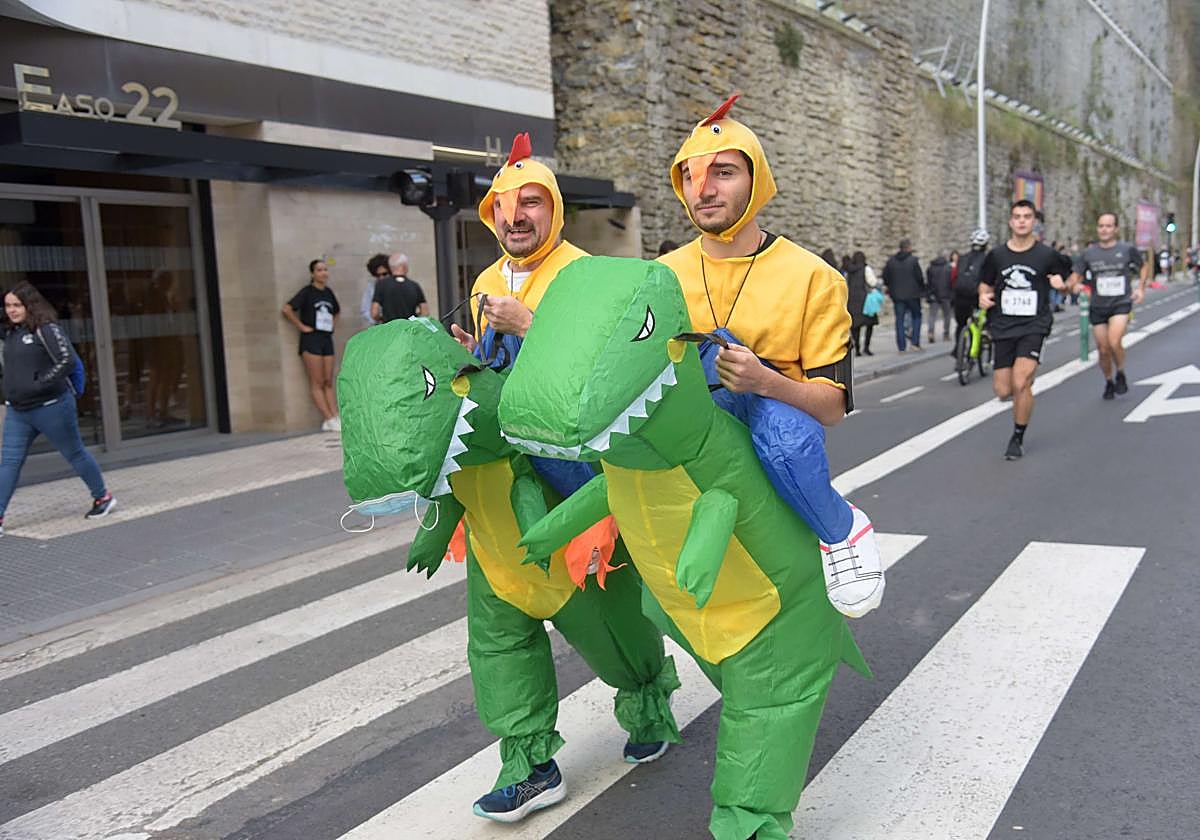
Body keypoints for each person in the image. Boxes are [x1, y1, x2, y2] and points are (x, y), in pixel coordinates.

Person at [658, 93, 881, 839]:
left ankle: (842, 532)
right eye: (691, 175)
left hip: (769, 449)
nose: (704, 188)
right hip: (687, 462)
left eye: (723, 172)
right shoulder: (658, 276)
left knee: (786, 432)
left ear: (757, 181)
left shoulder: (812, 276)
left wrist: (765, 381)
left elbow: (832, 405)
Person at [448, 133, 681, 822]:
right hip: (497, 480)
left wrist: (536, 325)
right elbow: (498, 370)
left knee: (602, 613)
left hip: (571, 474)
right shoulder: (486, 280)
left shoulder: (586, 274)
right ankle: (529, 763)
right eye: (504, 206)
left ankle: (644, 696)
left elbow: (609, 365)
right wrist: (473, 356)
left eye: (532, 203)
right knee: (498, 623)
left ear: (553, 208)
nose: (517, 217)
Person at [1, 282, 115, 536]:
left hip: (52, 407)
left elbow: (67, 361)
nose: (11, 310)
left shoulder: (46, 329)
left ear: (30, 305)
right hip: (19, 411)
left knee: (75, 453)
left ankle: (102, 497)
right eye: (8, 305)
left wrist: (39, 383)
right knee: (8, 462)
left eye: (17, 305)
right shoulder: (10, 333)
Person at [978, 200, 1070, 460]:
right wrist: (983, 298)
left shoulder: (1047, 255)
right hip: (1003, 325)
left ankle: (1017, 436)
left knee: (1021, 382)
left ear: (1034, 222)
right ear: (1010, 221)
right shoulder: (996, 256)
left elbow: (1070, 279)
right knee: (1003, 390)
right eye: (1017, 216)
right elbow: (984, 285)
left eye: (1027, 216)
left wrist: (1061, 285)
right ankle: (1023, 388)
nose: (1021, 221)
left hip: (1034, 325)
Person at [1068, 212, 1148, 400]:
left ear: (1116, 229)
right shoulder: (1089, 253)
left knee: (1114, 341)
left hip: (1120, 303)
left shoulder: (1127, 249)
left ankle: (1120, 371)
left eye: (1108, 226)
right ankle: (1109, 380)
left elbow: (1143, 266)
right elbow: (1076, 277)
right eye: (1101, 226)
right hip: (1098, 306)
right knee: (1103, 349)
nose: (1104, 230)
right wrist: (1074, 285)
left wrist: (1141, 288)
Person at [282, 259, 341, 432]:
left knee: (328, 380)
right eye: (319, 270)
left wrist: (332, 325)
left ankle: (335, 415)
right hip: (311, 339)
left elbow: (337, 311)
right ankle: (328, 417)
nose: (324, 273)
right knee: (317, 381)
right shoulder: (307, 292)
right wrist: (301, 326)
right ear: (312, 274)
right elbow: (287, 309)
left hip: (326, 338)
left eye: (325, 269)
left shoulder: (328, 292)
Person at [882, 238, 925, 351]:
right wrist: (922, 289)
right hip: (913, 294)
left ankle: (901, 346)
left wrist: (891, 287)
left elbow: (886, 277)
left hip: (897, 295)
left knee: (899, 320)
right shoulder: (913, 261)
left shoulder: (891, 261)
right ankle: (915, 343)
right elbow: (919, 278)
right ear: (909, 247)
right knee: (916, 317)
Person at [952, 229, 991, 355]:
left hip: (960, 296)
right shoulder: (988, 259)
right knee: (988, 314)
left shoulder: (962, 258)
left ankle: (958, 348)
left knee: (961, 324)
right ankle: (985, 333)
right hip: (976, 296)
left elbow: (954, 277)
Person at [370, 253, 428, 323]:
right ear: (405, 266)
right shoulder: (414, 286)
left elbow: (374, 313)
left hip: (390, 329)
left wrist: (382, 319)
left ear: (390, 267)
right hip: (408, 329)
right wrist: (415, 319)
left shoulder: (381, 284)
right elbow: (425, 312)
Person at [844, 251, 875, 356]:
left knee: (855, 326)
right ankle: (866, 347)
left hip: (852, 300)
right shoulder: (866, 269)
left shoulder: (849, 270)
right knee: (869, 324)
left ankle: (857, 348)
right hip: (865, 300)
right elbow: (872, 282)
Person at [925, 251, 953, 343]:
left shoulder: (930, 268)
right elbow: (951, 282)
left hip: (934, 295)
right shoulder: (948, 268)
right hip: (946, 294)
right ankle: (946, 334)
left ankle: (931, 332)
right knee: (947, 315)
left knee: (932, 315)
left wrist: (929, 294)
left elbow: (928, 282)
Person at [360, 252, 389, 329]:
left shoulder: (398, 285)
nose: (381, 278)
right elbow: (365, 310)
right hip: (379, 327)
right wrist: (378, 320)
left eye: (384, 274)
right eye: (377, 275)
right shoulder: (371, 287)